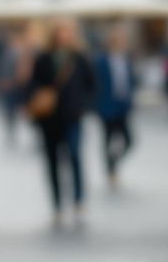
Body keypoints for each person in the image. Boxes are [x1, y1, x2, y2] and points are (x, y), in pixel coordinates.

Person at [27, 20, 96, 226]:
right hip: (49, 118)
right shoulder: (43, 58)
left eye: (67, 32)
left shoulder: (79, 58)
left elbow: (91, 84)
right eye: (60, 32)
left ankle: (78, 198)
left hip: (72, 116)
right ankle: (57, 203)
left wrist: (83, 107)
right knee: (52, 161)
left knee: (74, 156)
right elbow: (34, 85)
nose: (63, 36)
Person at [93, 25, 138, 187]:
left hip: (123, 106)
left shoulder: (127, 59)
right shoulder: (101, 61)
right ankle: (111, 169)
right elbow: (96, 84)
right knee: (107, 139)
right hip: (106, 106)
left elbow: (131, 81)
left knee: (129, 140)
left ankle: (113, 160)